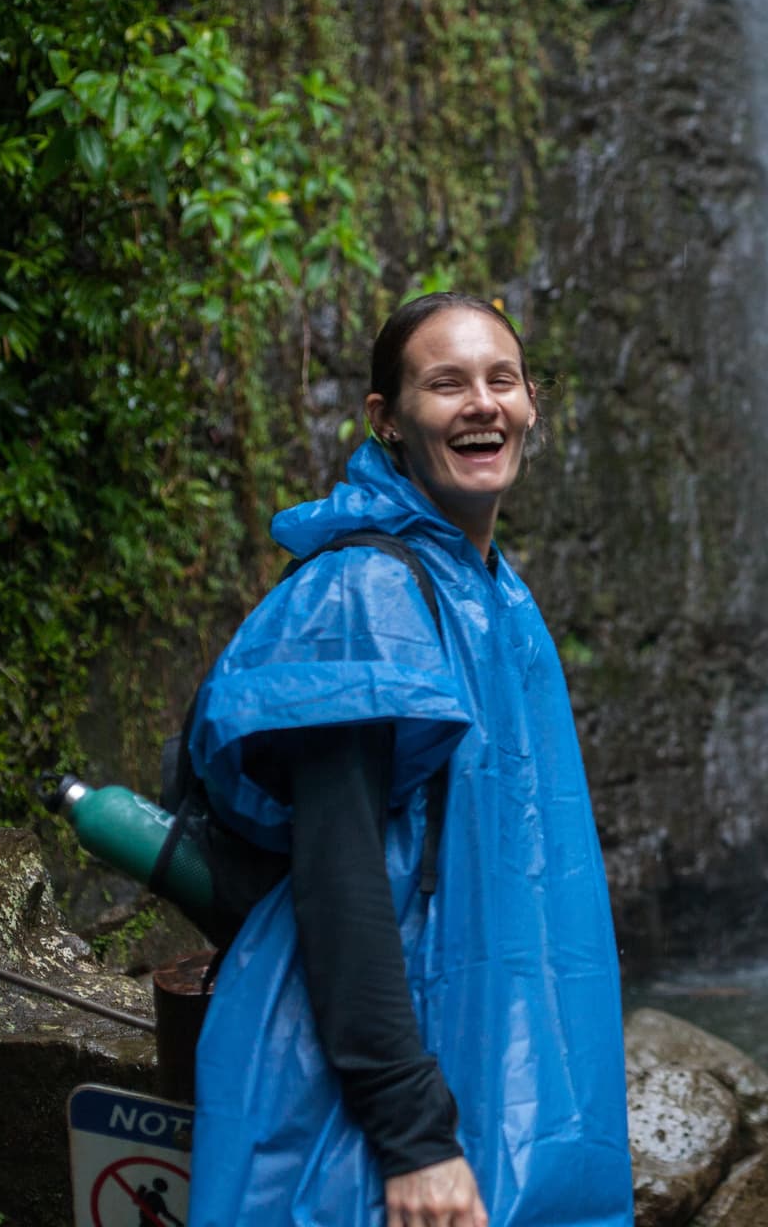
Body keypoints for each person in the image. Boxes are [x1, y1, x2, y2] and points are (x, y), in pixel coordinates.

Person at [185, 293, 633, 1226]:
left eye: (501, 380)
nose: (482, 403)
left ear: (531, 403)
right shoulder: (363, 595)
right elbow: (341, 879)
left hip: (475, 1060)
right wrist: (416, 1137)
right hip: (363, 1092)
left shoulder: (494, 595)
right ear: (385, 420)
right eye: (446, 384)